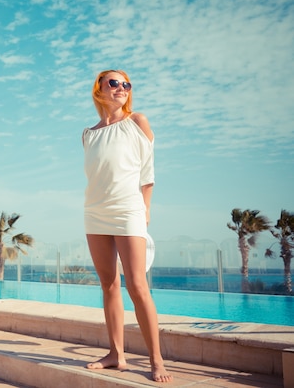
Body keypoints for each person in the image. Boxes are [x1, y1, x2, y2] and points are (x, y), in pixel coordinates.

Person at [81, 69, 172, 383]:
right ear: (99, 90)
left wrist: (145, 209)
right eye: (114, 83)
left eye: (126, 84)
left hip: (128, 209)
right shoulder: (88, 133)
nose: (121, 88)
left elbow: (148, 172)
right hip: (95, 212)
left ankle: (156, 360)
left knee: (137, 285)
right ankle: (115, 354)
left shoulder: (138, 122)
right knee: (108, 284)